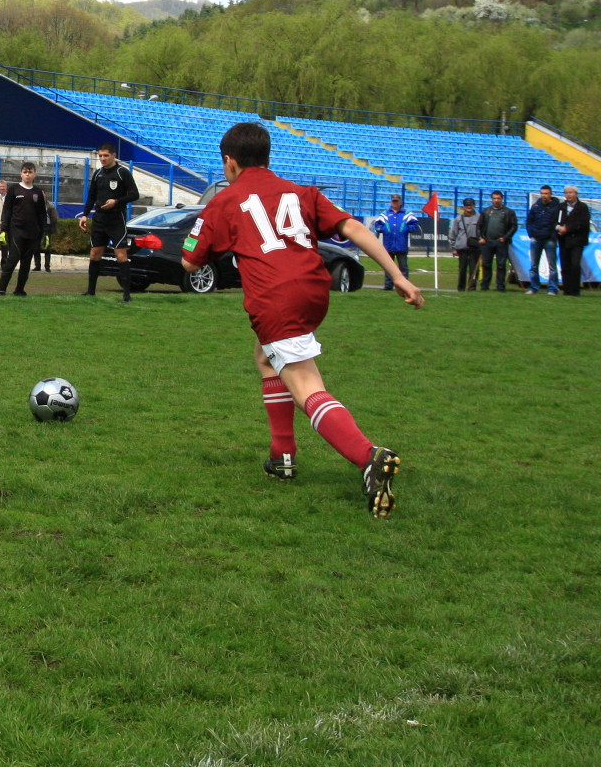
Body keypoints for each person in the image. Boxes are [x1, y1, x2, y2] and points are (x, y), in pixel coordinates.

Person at [181, 121, 422, 517]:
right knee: (264, 357)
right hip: (315, 289)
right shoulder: (301, 192)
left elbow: (191, 263)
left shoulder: (224, 201)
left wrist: (204, 238)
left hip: (276, 298)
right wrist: (396, 276)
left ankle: (368, 457)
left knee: (305, 383)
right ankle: (283, 456)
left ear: (230, 162)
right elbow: (353, 227)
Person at [79, 143, 137, 301]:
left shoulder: (122, 173)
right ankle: (91, 291)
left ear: (114, 155)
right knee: (95, 253)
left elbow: (134, 194)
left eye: (105, 155)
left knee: (121, 254)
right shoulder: (98, 174)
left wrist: (117, 201)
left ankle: (126, 294)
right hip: (99, 218)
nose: (102, 159)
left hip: (116, 218)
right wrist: (85, 215)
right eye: (100, 156)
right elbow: (91, 196)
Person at [0, 162, 48, 296]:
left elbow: (42, 214)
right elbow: (7, 210)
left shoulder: (38, 193)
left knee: (26, 262)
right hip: (16, 230)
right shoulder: (13, 189)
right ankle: (1, 288)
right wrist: (3, 229)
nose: (27, 174)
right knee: (13, 258)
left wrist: (44, 233)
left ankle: (19, 289)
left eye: (30, 172)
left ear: (34, 174)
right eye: (25, 172)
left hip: (32, 232)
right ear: (21, 174)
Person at [372, 195, 417, 289]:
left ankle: (404, 286)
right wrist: (383, 229)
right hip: (388, 244)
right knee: (388, 266)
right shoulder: (385, 213)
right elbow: (377, 225)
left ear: (401, 202)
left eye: (396, 201)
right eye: (393, 201)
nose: (395, 203)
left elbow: (415, 224)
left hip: (401, 245)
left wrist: (406, 229)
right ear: (390, 202)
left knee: (403, 266)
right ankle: (388, 285)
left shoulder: (407, 213)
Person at [478, 190, 517, 292]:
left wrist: (505, 237)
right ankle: (485, 285)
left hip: (501, 242)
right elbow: (479, 226)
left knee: (501, 265)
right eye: (494, 198)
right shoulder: (486, 211)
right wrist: (481, 237)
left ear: (502, 199)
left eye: (498, 198)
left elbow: (514, 226)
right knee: (486, 264)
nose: (496, 200)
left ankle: (500, 286)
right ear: (491, 199)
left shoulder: (509, 212)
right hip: (487, 242)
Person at [525, 185, 561, 294]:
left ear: (550, 194)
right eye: (542, 193)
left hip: (549, 239)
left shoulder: (557, 207)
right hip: (536, 239)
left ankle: (552, 288)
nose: (544, 196)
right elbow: (529, 221)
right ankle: (534, 287)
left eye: (546, 193)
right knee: (534, 265)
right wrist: (531, 234)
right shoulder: (535, 206)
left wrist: (554, 235)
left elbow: (559, 223)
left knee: (552, 266)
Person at [556, 185, 589, 297]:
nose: (568, 195)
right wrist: (558, 228)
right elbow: (554, 221)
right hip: (563, 240)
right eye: (566, 193)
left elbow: (583, 223)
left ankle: (575, 290)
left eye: (571, 192)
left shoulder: (582, 207)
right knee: (565, 265)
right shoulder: (561, 207)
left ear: (576, 194)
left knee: (575, 264)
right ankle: (567, 289)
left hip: (577, 241)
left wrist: (568, 229)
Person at [449, 198, 483, 292]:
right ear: (464, 207)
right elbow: (454, 234)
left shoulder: (479, 217)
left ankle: (472, 288)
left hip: (475, 247)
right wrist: (454, 247)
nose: (469, 207)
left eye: (471, 205)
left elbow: (482, 232)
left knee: (474, 270)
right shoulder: (458, 219)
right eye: (467, 205)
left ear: (474, 206)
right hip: (462, 247)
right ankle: (461, 288)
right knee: (462, 270)